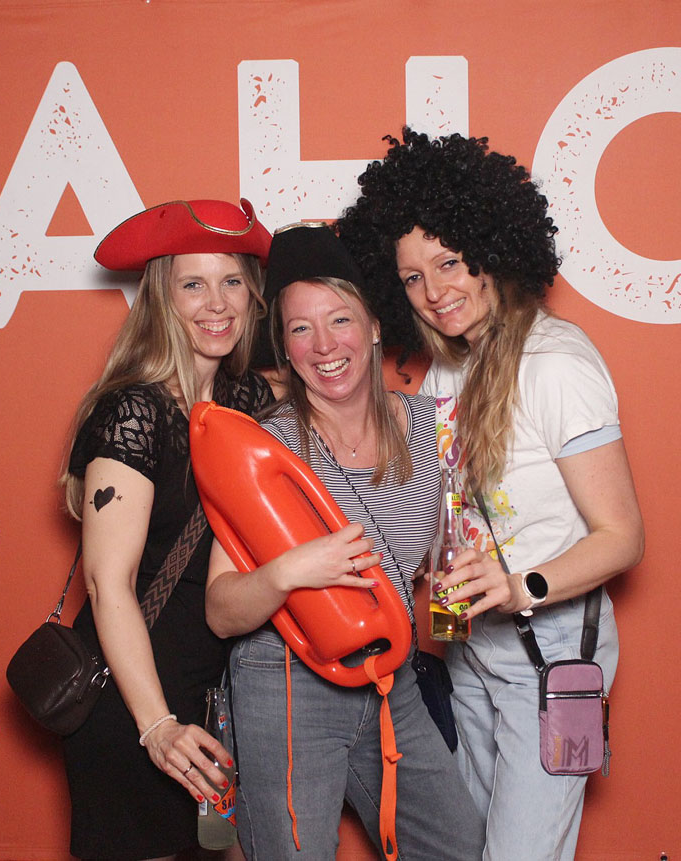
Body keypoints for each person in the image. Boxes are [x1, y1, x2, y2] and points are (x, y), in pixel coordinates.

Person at [337, 129, 645, 860]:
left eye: (448, 262)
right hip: (468, 648)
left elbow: (624, 537)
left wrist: (517, 586)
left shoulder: (556, 364)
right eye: (411, 278)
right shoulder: (449, 369)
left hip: (552, 653)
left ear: (492, 249)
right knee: (466, 849)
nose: (433, 291)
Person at [204, 223, 485, 860]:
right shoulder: (267, 445)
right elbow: (220, 611)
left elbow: (448, 547)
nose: (325, 345)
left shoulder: (432, 428)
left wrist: (463, 583)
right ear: (284, 346)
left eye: (340, 320)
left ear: (375, 326)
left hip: (391, 677)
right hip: (286, 680)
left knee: (457, 848)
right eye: (301, 328)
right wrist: (288, 571)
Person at [60, 198, 274, 861]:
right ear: (162, 299)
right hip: (137, 700)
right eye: (193, 284)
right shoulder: (135, 411)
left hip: (214, 700)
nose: (217, 302)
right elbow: (108, 583)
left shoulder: (245, 399)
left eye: (232, 280)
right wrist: (156, 726)